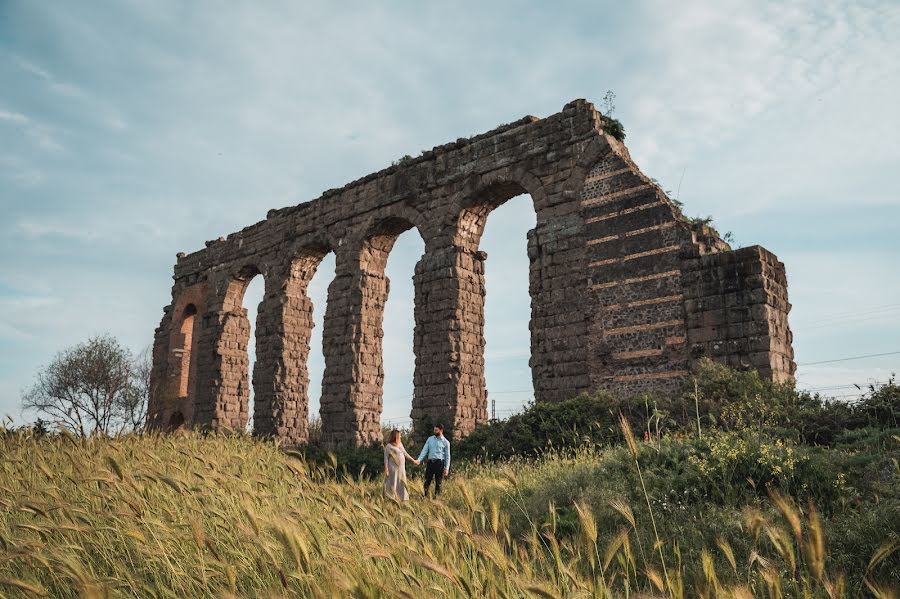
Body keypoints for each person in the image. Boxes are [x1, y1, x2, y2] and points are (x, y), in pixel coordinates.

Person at [383, 429, 419, 502]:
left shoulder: (400, 444)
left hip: (401, 468)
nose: (401, 436)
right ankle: (391, 497)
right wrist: (386, 469)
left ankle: (403, 497)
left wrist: (413, 460)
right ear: (395, 436)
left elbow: (405, 453)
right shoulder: (389, 446)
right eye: (399, 435)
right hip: (393, 468)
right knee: (393, 482)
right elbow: (386, 459)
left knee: (401, 482)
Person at [417, 424, 451, 498]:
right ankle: (425, 496)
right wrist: (419, 459)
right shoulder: (430, 439)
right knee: (427, 480)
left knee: (438, 482)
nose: (434, 431)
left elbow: (448, 456)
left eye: (436, 430)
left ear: (441, 430)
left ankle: (437, 498)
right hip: (430, 462)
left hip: (439, 463)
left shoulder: (446, 442)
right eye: (434, 430)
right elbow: (424, 450)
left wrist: (446, 468)